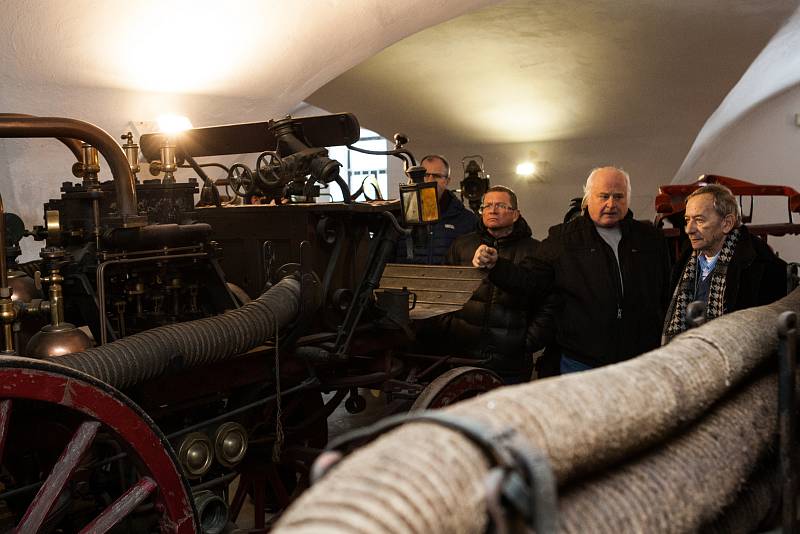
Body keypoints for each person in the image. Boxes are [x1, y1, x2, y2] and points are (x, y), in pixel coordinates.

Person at [473, 166, 670, 373]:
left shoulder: (650, 238)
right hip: (582, 361)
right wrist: (496, 265)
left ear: (628, 199)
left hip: (641, 359)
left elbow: (665, 290)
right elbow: (529, 279)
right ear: (588, 198)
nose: (611, 204)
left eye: (618, 196)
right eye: (603, 196)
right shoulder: (564, 238)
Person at [438, 185, 555, 384]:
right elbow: (443, 290)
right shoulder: (461, 245)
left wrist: (528, 341)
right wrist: (449, 329)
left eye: (501, 205)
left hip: (511, 360)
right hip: (463, 354)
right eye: (488, 206)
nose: (492, 210)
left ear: (516, 214)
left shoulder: (536, 250)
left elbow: (549, 301)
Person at [662, 184, 787, 342]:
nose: (689, 229)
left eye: (699, 220)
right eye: (687, 220)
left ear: (727, 223)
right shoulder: (685, 260)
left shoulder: (763, 267)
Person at [397, 154, 477, 264]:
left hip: (448, 280)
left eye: (436, 176)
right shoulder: (399, 215)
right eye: (425, 175)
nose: (429, 180)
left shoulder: (466, 219)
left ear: (447, 181)